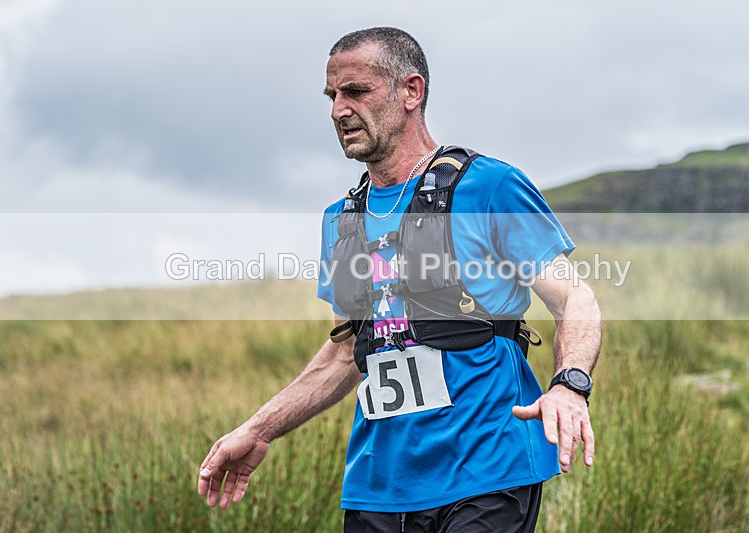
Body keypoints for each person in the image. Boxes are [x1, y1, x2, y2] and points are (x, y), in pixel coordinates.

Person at [197, 27, 602, 532]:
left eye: (356, 92)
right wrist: (259, 431)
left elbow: (574, 297)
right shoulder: (340, 220)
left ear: (412, 92)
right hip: (378, 487)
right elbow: (346, 352)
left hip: (487, 471)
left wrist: (569, 385)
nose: (338, 110)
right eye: (332, 96)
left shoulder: (489, 186)